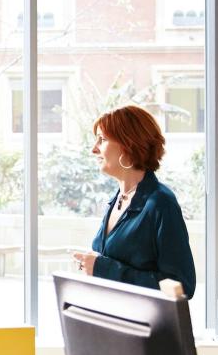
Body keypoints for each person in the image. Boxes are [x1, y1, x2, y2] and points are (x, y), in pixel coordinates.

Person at [72, 105, 196, 298]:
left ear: (127, 145)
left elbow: (181, 287)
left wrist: (105, 269)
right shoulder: (116, 201)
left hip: (147, 327)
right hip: (116, 322)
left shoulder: (161, 204)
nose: (93, 149)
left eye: (102, 140)